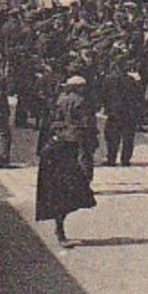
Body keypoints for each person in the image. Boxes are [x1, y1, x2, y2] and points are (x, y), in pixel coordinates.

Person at [35, 75, 98, 247]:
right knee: (72, 187)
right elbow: (88, 124)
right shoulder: (82, 102)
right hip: (73, 144)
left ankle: (59, 227)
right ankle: (60, 229)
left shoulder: (60, 100)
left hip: (57, 143)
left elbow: (52, 122)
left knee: (59, 187)